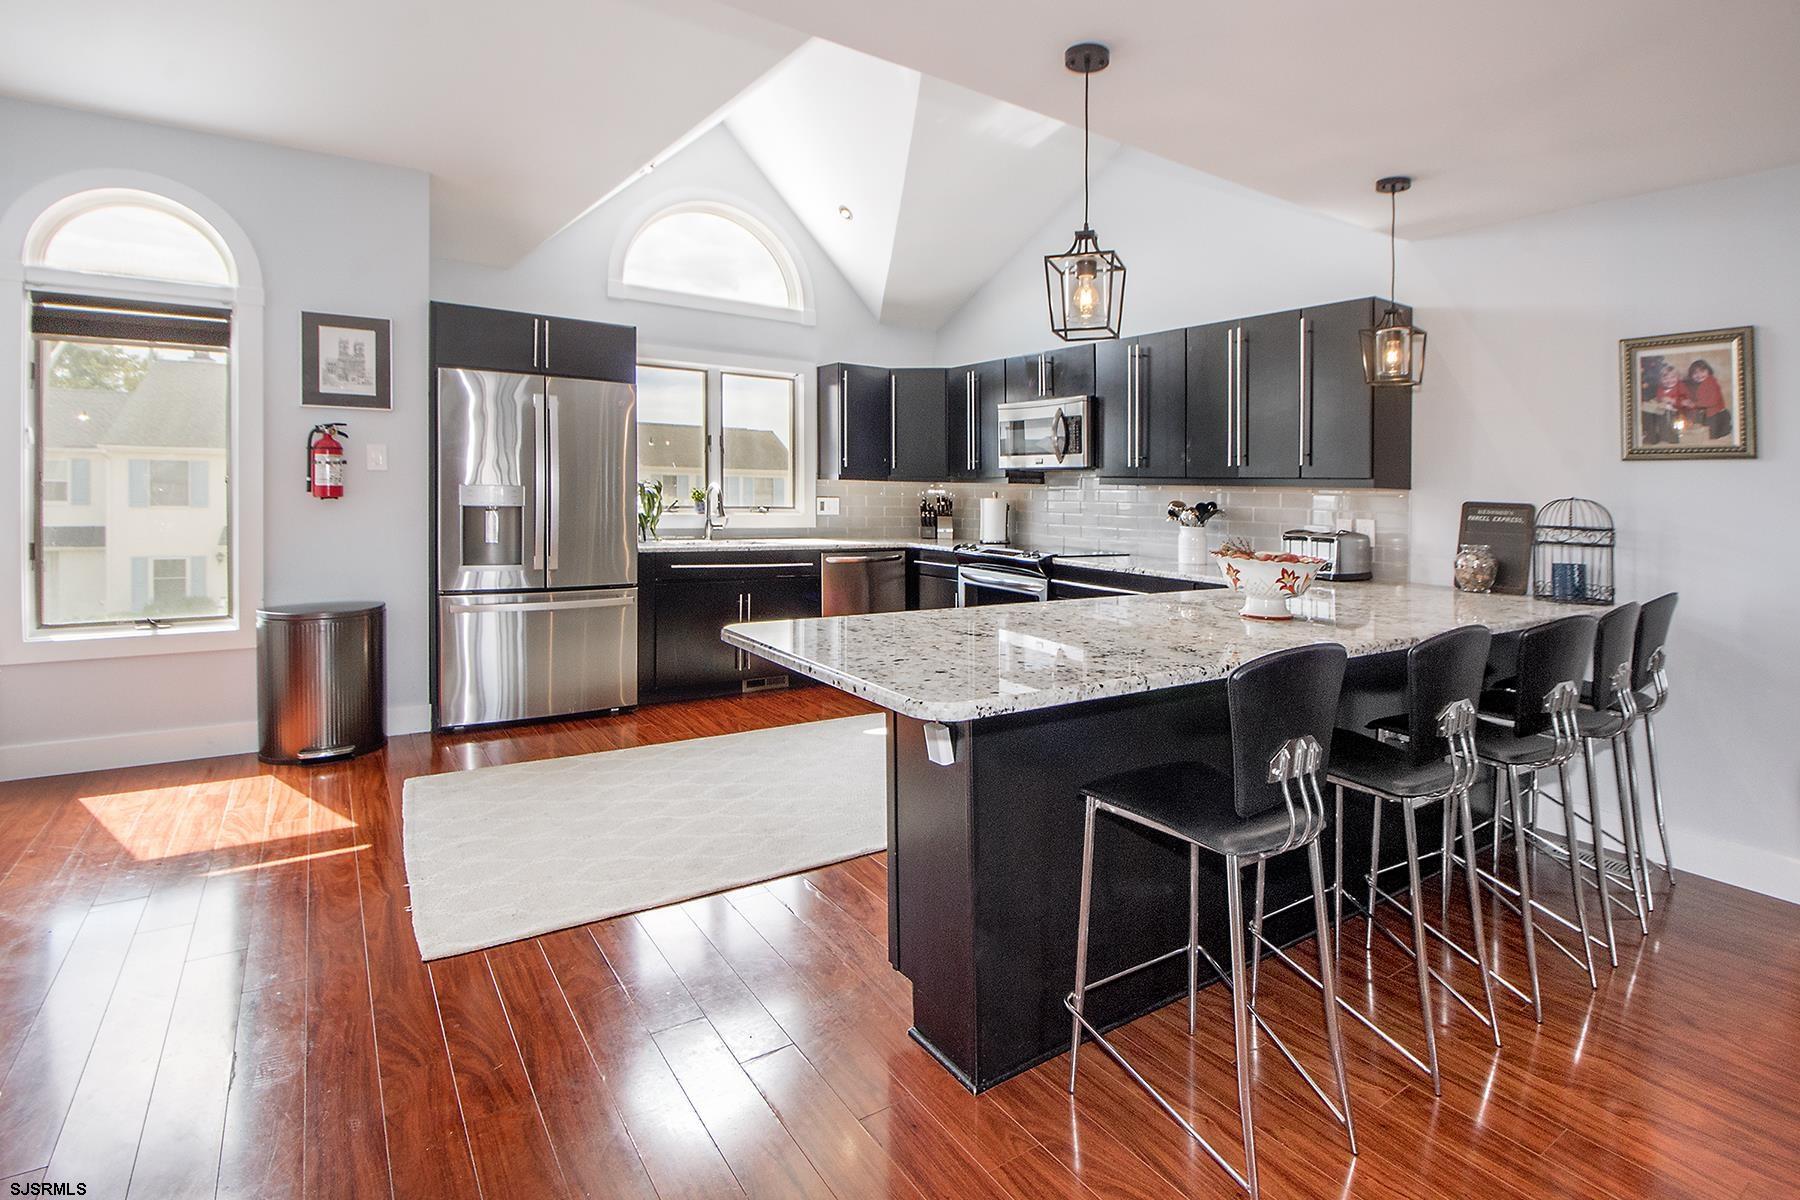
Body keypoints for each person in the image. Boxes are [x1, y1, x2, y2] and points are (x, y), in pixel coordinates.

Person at [1684, 359, 1731, 440]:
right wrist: (1688, 402)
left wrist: (1695, 404)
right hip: (1704, 413)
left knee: (1711, 434)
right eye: (1695, 373)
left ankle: (1721, 431)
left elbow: (1712, 401)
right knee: (1695, 423)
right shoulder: (1694, 385)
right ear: (1691, 375)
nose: (1699, 375)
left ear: (1708, 371)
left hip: (1716, 414)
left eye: (1702, 371)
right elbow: (1693, 397)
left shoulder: (1712, 383)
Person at [1640, 360, 1684, 445]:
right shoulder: (1661, 388)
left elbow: (1683, 400)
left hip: (1677, 412)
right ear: (1661, 380)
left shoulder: (1680, 388)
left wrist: (1672, 401)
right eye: (1665, 378)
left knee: (1666, 417)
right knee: (1649, 409)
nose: (1669, 380)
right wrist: (1657, 401)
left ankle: (1669, 438)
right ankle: (1653, 435)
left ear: (1678, 378)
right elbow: (1660, 398)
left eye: (1672, 377)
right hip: (1663, 409)